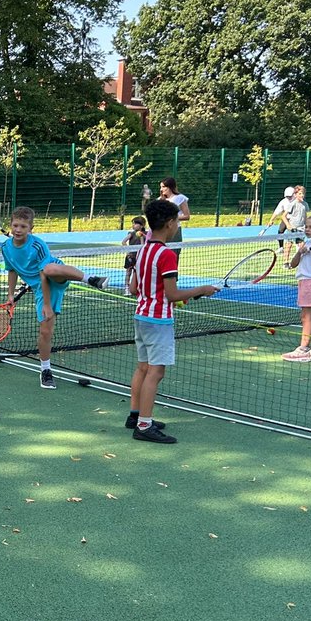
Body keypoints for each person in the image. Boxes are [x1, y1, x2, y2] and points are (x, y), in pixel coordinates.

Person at [127, 199, 220, 443]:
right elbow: (172, 294)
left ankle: (136, 416)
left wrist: (170, 297)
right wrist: (202, 289)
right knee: (156, 372)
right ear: (169, 223)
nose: (178, 225)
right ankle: (144, 426)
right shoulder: (167, 254)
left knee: (143, 368)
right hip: (158, 321)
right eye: (177, 221)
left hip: (141, 316)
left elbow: (134, 288)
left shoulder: (143, 249)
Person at [1, 207, 109, 389]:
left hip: (53, 277)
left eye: (23, 226)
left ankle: (91, 279)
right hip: (39, 289)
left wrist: (47, 305)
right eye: (15, 225)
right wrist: (10, 294)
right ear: (10, 225)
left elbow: (44, 274)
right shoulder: (6, 248)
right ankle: (45, 370)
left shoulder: (38, 245)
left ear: (31, 228)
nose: (18, 230)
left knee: (49, 268)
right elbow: (12, 270)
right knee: (45, 332)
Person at [282, 214, 311, 362]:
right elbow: (293, 264)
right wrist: (299, 252)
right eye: (306, 227)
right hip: (303, 282)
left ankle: (303, 349)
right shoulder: (306, 243)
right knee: (308, 316)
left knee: (307, 317)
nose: (307, 229)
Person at [266, 185, 309, 264]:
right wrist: (288, 225)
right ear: (295, 194)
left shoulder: (305, 204)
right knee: (288, 244)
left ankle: (301, 262)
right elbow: (282, 215)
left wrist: (307, 225)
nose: (302, 195)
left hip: (301, 228)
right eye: (300, 193)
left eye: (303, 193)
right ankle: (285, 262)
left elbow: (305, 216)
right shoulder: (291, 204)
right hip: (292, 227)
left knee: (301, 245)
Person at [158, 178, 190, 255]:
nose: (161, 189)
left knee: (173, 254)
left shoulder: (180, 198)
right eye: (161, 187)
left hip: (174, 230)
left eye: (163, 187)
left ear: (170, 187)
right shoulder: (159, 200)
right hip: (161, 230)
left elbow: (187, 216)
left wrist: (170, 218)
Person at [121, 216, 147, 296]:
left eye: (135, 224)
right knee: (128, 272)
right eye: (133, 224)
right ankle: (127, 288)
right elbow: (123, 242)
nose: (133, 225)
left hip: (140, 256)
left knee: (139, 272)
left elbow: (143, 245)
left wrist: (142, 236)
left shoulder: (145, 234)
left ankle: (139, 288)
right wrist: (128, 251)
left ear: (141, 225)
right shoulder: (131, 233)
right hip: (131, 256)